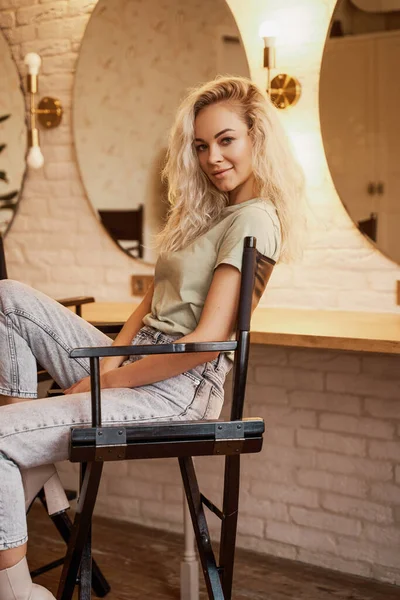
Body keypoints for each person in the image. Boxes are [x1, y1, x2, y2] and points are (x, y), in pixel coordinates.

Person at [0, 75, 305, 599]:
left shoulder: (254, 219)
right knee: (7, 296)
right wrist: (108, 370)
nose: (213, 157)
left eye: (227, 140)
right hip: (140, 363)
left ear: (257, 137)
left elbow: (205, 342)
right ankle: (29, 449)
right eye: (202, 145)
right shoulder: (212, 212)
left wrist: (110, 381)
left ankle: (15, 589)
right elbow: (151, 304)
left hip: (176, 391)